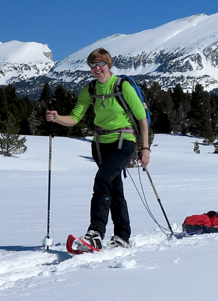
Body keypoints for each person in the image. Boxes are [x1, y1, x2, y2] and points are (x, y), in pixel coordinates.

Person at [45, 48, 150, 249]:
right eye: (92, 65)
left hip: (124, 141)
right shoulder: (89, 90)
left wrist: (145, 148)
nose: (97, 68)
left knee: (102, 180)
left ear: (109, 64)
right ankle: (122, 236)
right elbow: (75, 118)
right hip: (100, 144)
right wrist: (57, 118)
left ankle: (95, 232)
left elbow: (141, 119)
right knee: (114, 187)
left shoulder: (122, 86)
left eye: (101, 63)